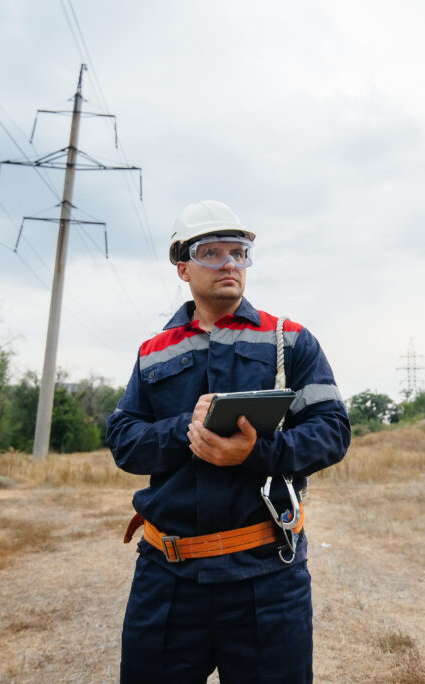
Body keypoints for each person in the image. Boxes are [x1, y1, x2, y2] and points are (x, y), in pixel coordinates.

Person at [106, 200, 351, 683]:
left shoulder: (290, 340)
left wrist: (255, 454)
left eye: (239, 253)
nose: (230, 264)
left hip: (266, 576)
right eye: (211, 252)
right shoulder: (153, 353)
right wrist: (185, 431)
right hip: (167, 579)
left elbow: (332, 431)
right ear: (183, 267)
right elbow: (123, 441)